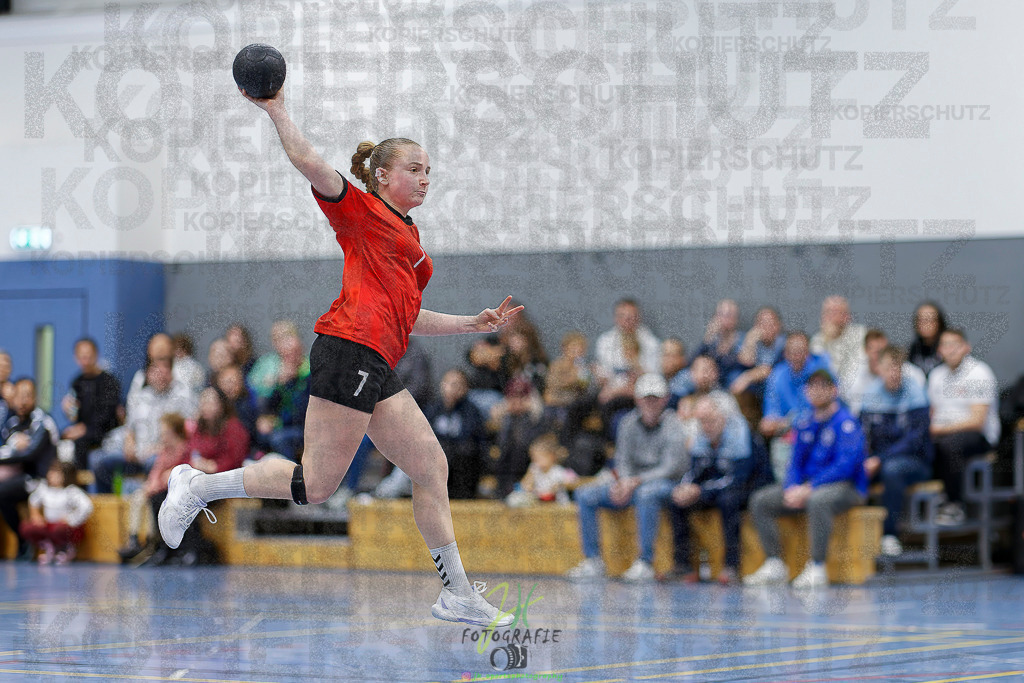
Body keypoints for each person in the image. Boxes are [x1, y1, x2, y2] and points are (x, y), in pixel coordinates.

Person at [159, 85, 523, 627]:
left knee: (431, 467)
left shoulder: (410, 239)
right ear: (382, 175)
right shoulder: (360, 211)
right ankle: (198, 485)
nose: (426, 178)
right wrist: (276, 107)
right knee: (316, 485)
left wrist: (471, 322)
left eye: (430, 170)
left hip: (377, 361)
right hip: (347, 350)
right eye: (415, 168)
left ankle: (458, 593)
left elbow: (407, 316)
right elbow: (307, 160)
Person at [744, 369, 867, 589]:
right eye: (812, 388)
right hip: (806, 488)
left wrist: (809, 488)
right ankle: (774, 563)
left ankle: (817, 567)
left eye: (823, 387)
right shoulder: (805, 423)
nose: (817, 393)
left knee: (818, 500)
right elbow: (795, 463)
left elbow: (845, 467)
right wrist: (792, 488)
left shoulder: (846, 422)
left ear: (834, 390)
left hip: (847, 488)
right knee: (761, 500)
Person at [566, 373, 687, 582]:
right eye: (646, 398)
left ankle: (645, 562)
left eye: (655, 398)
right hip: (631, 483)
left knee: (647, 494)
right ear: (637, 399)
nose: (650, 403)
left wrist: (635, 481)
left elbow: (671, 467)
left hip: (666, 484)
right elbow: (622, 460)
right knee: (585, 494)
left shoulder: (674, 424)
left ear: (665, 399)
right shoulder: (627, 423)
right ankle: (593, 560)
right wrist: (623, 482)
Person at [669, 395, 752, 585]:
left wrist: (700, 491)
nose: (706, 426)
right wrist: (684, 488)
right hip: (714, 489)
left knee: (728, 500)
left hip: (744, 488)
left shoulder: (740, 434)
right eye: (701, 421)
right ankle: (683, 566)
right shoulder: (701, 436)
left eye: (710, 420)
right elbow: (694, 471)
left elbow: (736, 479)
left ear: (724, 418)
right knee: (677, 500)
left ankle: (731, 566)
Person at [860, 346, 932, 556]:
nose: (893, 373)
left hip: (915, 461)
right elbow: (863, 435)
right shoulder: (871, 394)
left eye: (897, 368)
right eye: (888, 368)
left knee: (892, 470)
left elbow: (914, 441)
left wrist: (879, 460)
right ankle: (853, 540)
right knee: (852, 470)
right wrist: (864, 460)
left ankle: (889, 535)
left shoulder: (915, 392)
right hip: (878, 461)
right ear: (878, 368)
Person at [927, 329, 1000, 526]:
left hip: (978, 436)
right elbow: (932, 413)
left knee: (950, 445)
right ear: (939, 350)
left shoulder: (979, 372)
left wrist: (939, 430)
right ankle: (931, 500)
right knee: (923, 445)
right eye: (945, 345)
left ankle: (955, 505)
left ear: (966, 347)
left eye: (954, 345)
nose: (949, 350)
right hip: (941, 434)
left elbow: (977, 421)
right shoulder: (936, 375)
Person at [91, 357, 196, 494]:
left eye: (164, 370)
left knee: (154, 463)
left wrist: (160, 448)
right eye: (155, 371)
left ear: (171, 373)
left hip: (160, 455)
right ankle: (110, 507)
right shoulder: (140, 397)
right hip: (134, 454)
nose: (160, 375)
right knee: (99, 461)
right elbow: (129, 427)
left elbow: (187, 432)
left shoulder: (181, 397)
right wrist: (129, 443)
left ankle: (150, 507)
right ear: (148, 374)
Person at [118, 412, 191, 564]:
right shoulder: (165, 451)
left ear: (174, 432)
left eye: (165, 432)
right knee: (139, 497)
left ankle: (153, 542)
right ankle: (134, 540)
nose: (162, 436)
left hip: (172, 491)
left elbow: (175, 474)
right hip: (158, 488)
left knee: (155, 500)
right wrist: (150, 485)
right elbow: (157, 472)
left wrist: (154, 487)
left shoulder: (184, 449)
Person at [0, 378, 60, 558]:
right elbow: (7, 450)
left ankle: (23, 540)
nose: (23, 401)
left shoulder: (43, 422)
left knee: (1, 491)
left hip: (38, 479)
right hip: (18, 477)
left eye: (27, 396)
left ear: (35, 398)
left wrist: (13, 452)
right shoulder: (12, 424)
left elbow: (29, 454)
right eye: (18, 396)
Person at [425, 369, 489, 500]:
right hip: (438, 460)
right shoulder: (433, 408)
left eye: (456, 384)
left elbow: (469, 439)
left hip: (463, 464)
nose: (451, 388)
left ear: (465, 388)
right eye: (448, 383)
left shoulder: (471, 411)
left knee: (462, 451)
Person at [61, 338, 122, 470]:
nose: (86, 361)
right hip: (84, 428)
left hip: (105, 430)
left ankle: (83, 486)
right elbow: (75, 414)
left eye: (89, 356)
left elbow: (107, 414)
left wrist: (84, 429)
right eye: (82, 357)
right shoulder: (76, 382)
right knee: (61, 437)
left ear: (96, 355)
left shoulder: (109, 381)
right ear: (76, 358)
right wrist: (68, 411)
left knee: (80, 443)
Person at [20, 460, 93, 565]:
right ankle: (49, 547)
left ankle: (66, 548)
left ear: (66, 476)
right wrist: (35, 515)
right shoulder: (44, 488)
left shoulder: (71, 491)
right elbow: (33, 500)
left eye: (56, 473)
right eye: (51, 472)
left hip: (65, 527)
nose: (52, 476)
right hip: (49, 525)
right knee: (27, 527)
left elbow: (87, 506)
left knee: (59, 529)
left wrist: (71, 519)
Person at [847, 329, 926, 416]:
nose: (893, 374)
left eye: (897, 369)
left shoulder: (913, 380)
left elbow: (922, 417)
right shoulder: (863, 386)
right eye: (876, 352)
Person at [810, 296, 866, 402]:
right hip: (828, 396)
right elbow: (823, 372)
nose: (832, 317)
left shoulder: (860, 335)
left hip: (856, 393)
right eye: (828, 312)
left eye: (837, 312)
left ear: (848, 316)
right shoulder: (817, 341)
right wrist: (828, 341)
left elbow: (852, 369)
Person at [505, 433, 578, 506]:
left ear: (551, 457)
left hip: (557, 504)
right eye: (534, 459)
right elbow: (524, 486)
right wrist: (530, 476)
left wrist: (560, 485)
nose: (536, 462)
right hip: (539, 502)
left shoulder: (557, 471)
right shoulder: (535, 470)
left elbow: (573, 480)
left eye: (539, 459)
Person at [694, 299, 745, 386]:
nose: (724, 319)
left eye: (729, 315)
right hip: (709, 379)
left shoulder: (742, 339)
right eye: (721, 314)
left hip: (730, 381)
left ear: (736, 319)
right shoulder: (712, 339)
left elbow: (739, 365)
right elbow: (694, 361)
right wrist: (708, 338)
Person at [908, 302, 947, 378]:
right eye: (921, 320)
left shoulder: (947, 348)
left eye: (930, 319)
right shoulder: (911, 350)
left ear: (939, 322)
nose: (926, 324)